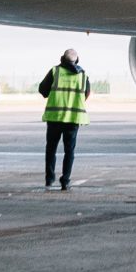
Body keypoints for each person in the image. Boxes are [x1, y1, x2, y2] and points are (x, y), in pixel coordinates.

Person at [38, 47, 90, 190]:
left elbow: (42, 90)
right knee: (69, 151)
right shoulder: (83, 75)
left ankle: (49, 179)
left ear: (62, 59)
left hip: (55, 118)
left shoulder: (55, 71)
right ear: (77, 60)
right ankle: (65, 181)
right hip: (73, 119)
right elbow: (86, 94)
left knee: (51, 149)